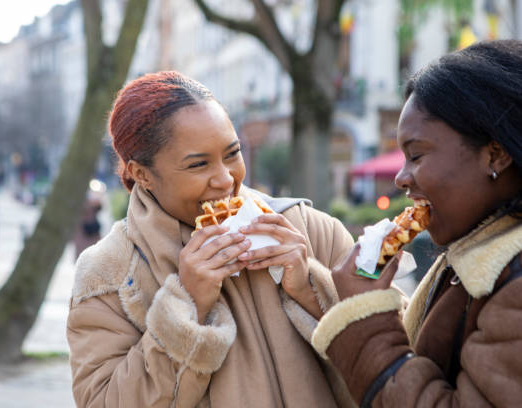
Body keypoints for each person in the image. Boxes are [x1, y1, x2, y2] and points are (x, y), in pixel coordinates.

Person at [66, 71, 357, 407]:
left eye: (232, 154)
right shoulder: (109, 275)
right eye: (199, 165)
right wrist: (185, 305)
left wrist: (311, 291)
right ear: (142, 174)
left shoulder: (309, 231)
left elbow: (402, 358)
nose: (225, 179)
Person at [309, 40, 522, 407]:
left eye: (417, 155)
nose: (401, 178)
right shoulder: (473, 255)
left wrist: (367, 321)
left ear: (496, 153)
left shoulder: (514, 280)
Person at [73, 192, 103, 260]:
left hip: (91, 233)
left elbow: (99, 206)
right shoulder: (80, 204)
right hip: (83, 234)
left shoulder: (92, 202)